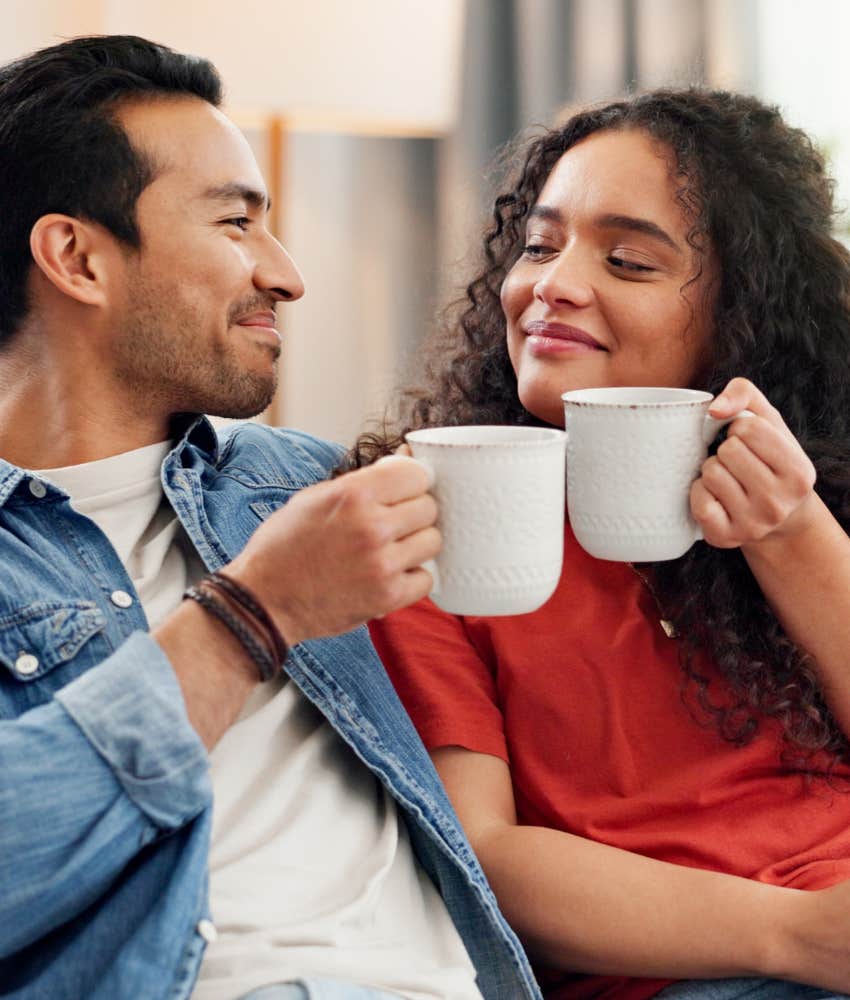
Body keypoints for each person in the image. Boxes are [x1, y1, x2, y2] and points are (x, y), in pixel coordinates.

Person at [0, 35, 541, 1000]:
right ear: (77, 257)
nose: (287, 274)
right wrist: (255, 615)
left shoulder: (308, 486)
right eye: (235, 224)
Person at [359, 89, 850, 999]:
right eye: (538, 246)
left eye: (626, 260)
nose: (552, 283)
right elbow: (485, 856)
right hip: (700, 973)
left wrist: (793, 528)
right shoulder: (429, 512)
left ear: (744, 315)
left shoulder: (801, 485)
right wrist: (798, 937)